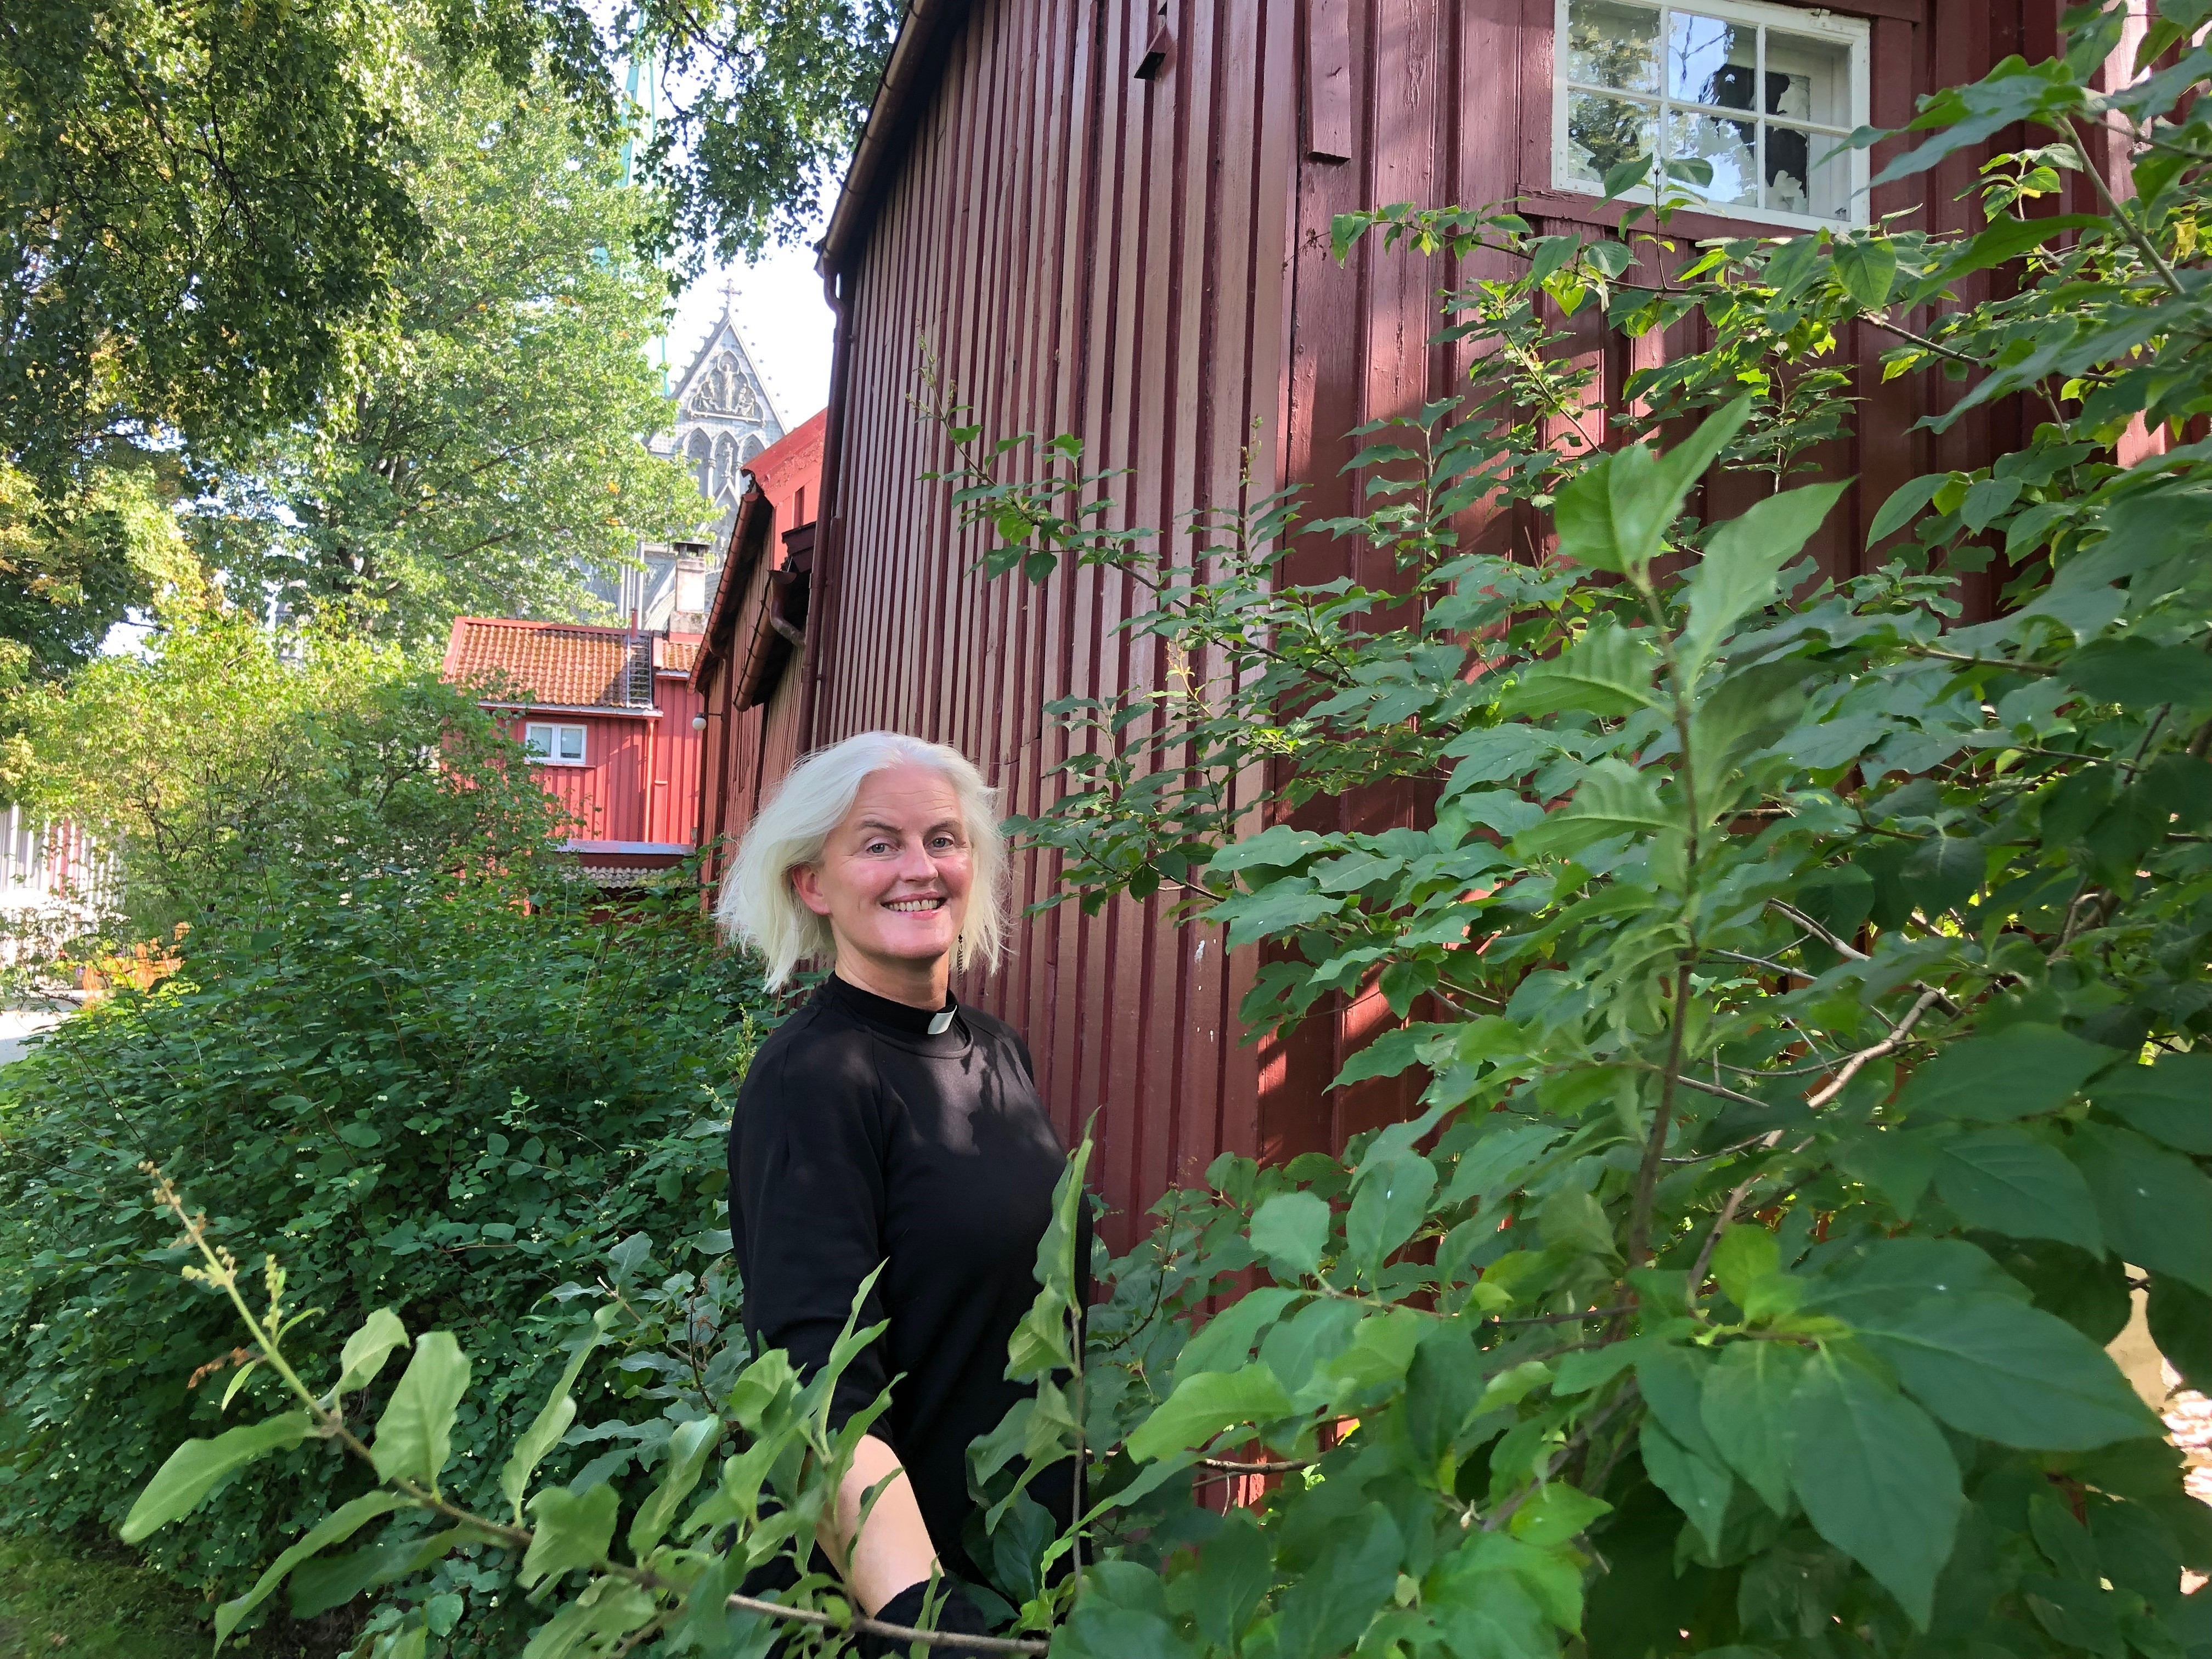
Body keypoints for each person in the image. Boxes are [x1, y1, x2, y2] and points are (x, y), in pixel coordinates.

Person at [716, 731, 1085, 1650]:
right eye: (880, 844)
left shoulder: (997, 1052)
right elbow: (818, 1399)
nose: (920, 868)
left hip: (1027, 1577)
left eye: (943, 840)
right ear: (813, 884)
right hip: (895, 1605)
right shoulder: (812, 1081)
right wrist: (931, 1630)